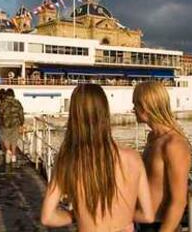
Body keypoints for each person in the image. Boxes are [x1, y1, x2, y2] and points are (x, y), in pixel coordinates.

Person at [41, 84, 154, 231]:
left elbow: (47, 217)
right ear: (105, 113)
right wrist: (122, 216)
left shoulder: (68, 160)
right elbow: (148, 216)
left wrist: (75, 215)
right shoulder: (133, 158)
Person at [133, 82, 192, 232]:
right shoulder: (152, 137)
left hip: (161, 225)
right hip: (141, 221)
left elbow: (179, 202)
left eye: (135, 104)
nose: (133, 109)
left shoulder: (174, 144)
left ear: (145, 107)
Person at [0, 88, 24, 164]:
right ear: (13, 94)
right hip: (15, 123)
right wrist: (22, 122)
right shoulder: (17, 102)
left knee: (6, 138)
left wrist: (0, 123)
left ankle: (8, 150)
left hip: (5, 123)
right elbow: (21, 113)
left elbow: (0, 113)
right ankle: (13, 155)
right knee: (14, 139)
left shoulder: (3, 103)